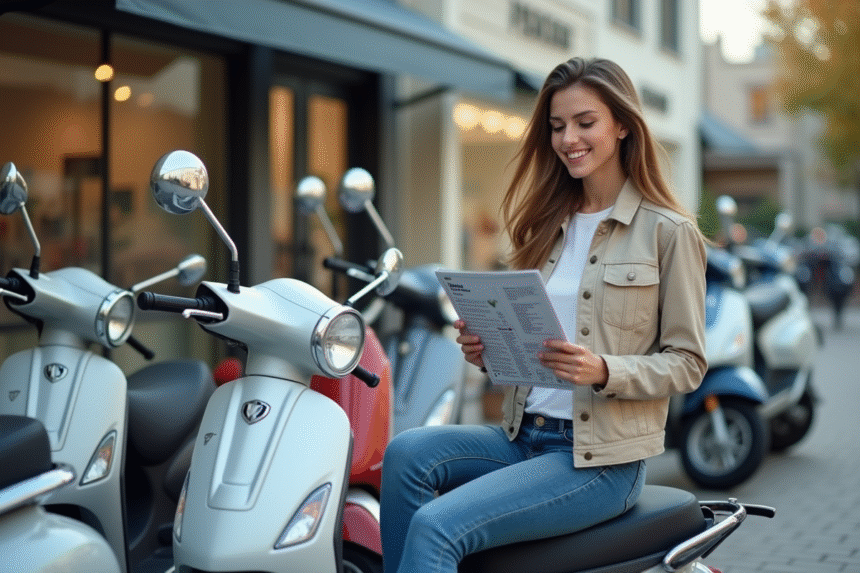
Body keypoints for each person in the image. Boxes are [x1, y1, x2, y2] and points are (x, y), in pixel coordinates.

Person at [379, 57, 708, 573]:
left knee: (437, 525)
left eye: (585, 123)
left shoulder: (668, 232)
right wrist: (489, 351)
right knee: (405, 454)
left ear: (622, 125)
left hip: (599, 462)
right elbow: (535, 350)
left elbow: (688, 363)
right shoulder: (546, 224)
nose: (568, 139)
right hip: (521, 436)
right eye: (557, 127)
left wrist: (604, 370)